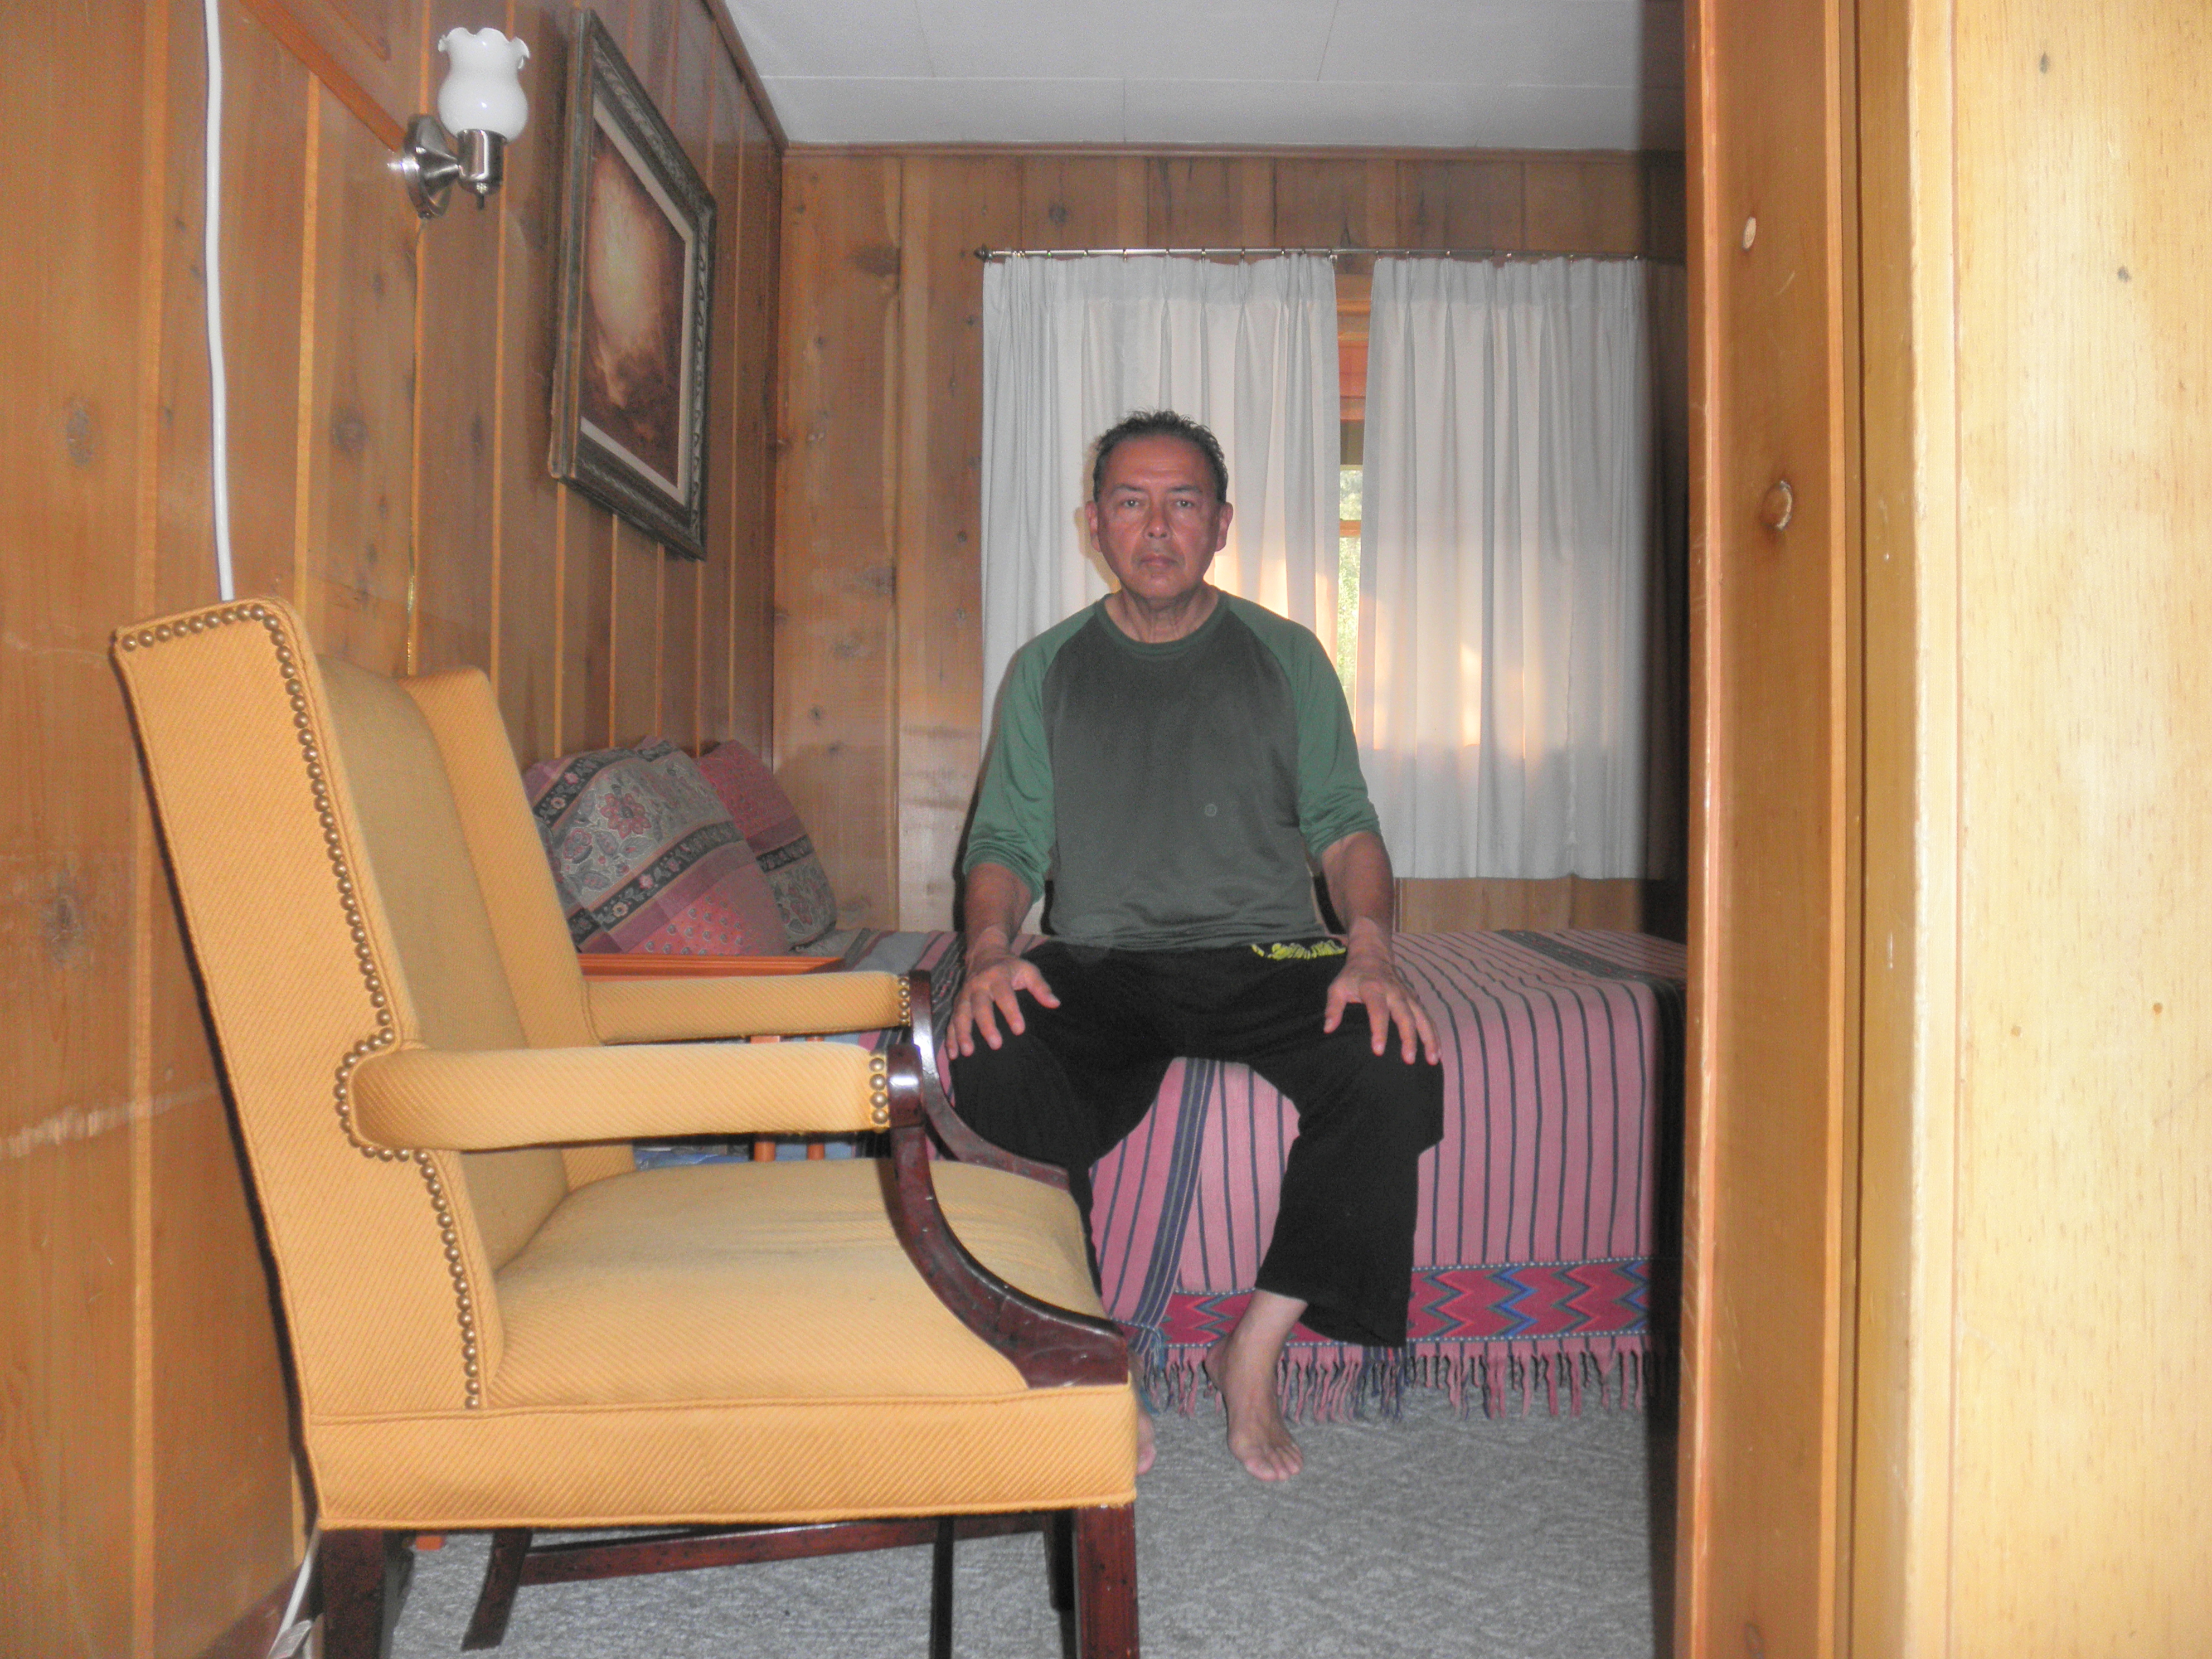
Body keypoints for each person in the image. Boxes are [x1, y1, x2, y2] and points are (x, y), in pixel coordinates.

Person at [948, 410, 1443, 1482]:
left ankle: (1252, 1348)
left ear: (1222, 525)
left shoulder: (1287, 656)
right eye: (1132, 502)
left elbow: (1345, 828)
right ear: (1095, 524)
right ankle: (1089, 1350)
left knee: (1393, 1055)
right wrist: (988, 951)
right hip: (1101, 961)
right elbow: (1005, 843)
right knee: (992, 1053)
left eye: (1183, 504)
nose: (1158, 527)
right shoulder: (1047, 668)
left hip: (1268, 954)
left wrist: (1369, 946)